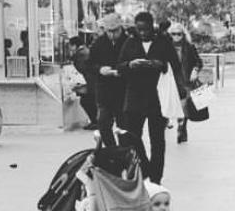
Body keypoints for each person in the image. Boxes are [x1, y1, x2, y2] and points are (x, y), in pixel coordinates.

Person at [117, 11, 181, 184]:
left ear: (151, 26)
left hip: (157, 97)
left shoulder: (163, 42)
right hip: (134, 96)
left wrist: (160, 65)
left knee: (157, 140)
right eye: (139, 29)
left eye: (145, 29)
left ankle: (156, 178)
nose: (142, 33)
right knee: (132, 138)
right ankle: (145, 168)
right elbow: (120, 66)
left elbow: (175, 65)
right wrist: (130, 64)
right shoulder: (130, 42)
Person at [88, 13, 129, 147]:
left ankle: (124, 152)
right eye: (109, 31)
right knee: (103, 123)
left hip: (124, 91)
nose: (112, 35)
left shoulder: (129, 42)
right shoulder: (99, 43)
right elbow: (89, 64)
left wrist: (123, 71)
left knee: (124, 126)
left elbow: (136, 63)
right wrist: (100, 69)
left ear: (121, 28)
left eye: (115, 31)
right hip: (104, 90)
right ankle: (112, 150)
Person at [167, 23, 202, 143]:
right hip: (171, 81)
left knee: (184, 106)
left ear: (183, 34)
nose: (176, 36)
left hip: (185, 81)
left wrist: (195, 70)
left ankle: (182, 127)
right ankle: (173, 122)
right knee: (171, 105)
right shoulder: (165, 47)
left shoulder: (189, 47)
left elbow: (198, 62)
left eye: (179, 34)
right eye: (173, 34)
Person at [68, 37, 98, 130]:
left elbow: (82, 68)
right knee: (89, 101)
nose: (70, 48)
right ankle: (95, 121)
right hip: (91, 81)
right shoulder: (85, 51)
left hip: (90, 82)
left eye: (70, 46)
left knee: (86, 101)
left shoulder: (81, 53)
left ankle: (95, 122)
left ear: (74, 45)